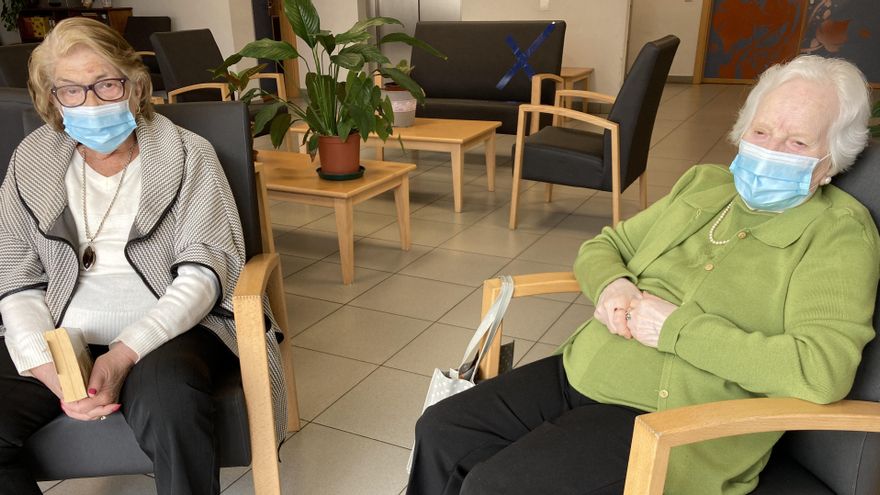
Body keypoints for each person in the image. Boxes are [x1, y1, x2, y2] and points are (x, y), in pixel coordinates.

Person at [407, 55, 880, 495]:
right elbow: (605, 246)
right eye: (761, 131)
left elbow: (822, 371)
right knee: (441, 431)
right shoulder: (705, 186)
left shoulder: (838, 234)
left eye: (797, 142)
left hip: (673, 421)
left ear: (831, 162)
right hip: (583, 371)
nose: (771, 150)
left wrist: (676, 330)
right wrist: (614, 284)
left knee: (496, 486)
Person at [0, 18, 286, 495]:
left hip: (166, 329)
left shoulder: (187, 154)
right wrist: (42, 364)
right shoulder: (32, 161)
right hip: (58, 334)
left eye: (106, 84)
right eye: (71, 90)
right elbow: (16, 274)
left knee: (170, 404)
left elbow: (204, 272)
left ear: (134, 87)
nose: (90, 102)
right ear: (52, 100)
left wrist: (126, 350)